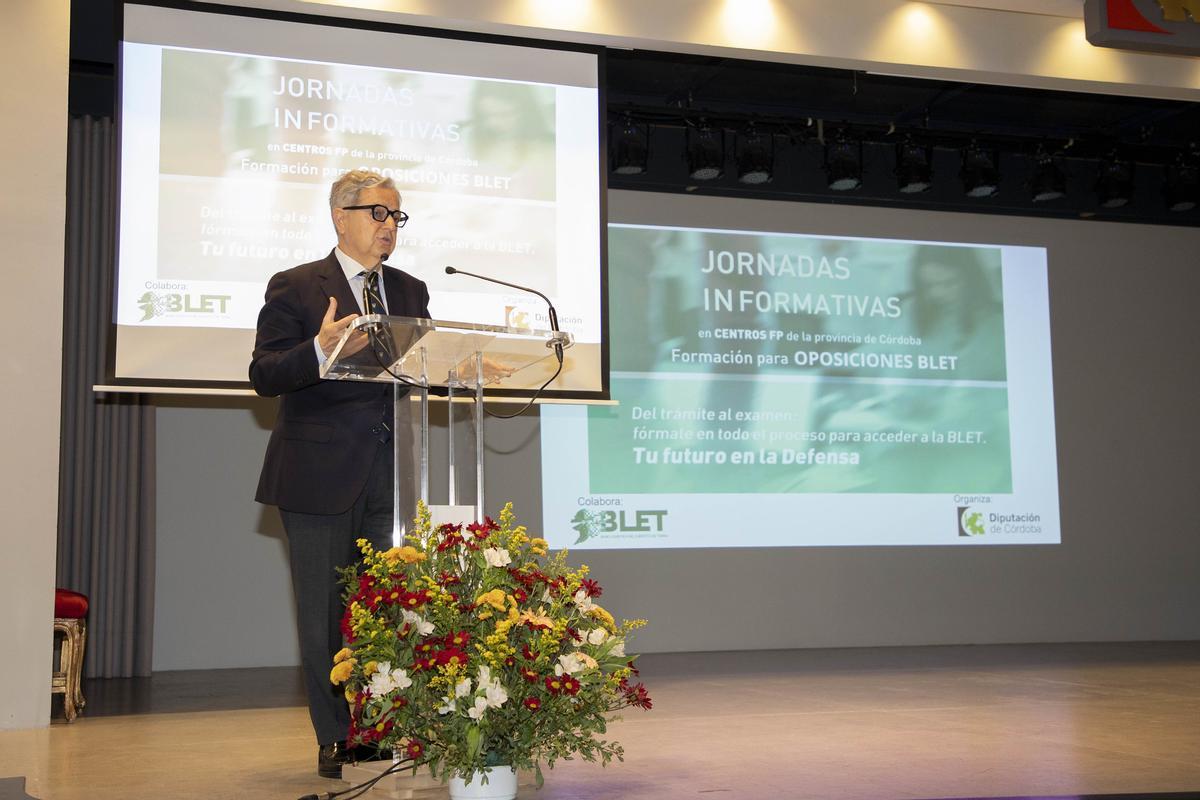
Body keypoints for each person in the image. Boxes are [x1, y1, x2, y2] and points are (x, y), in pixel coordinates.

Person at [249, 170, 430, 779]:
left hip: (390, 473)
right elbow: (265, 374)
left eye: (396, 217)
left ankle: (378, 728)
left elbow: (421, 368)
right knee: (325, 613)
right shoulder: (298, 286)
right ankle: (334, 736)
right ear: (340, 216)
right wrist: (321, 349)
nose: (388, 228)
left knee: (383, 607)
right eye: (378, 214)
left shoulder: (410, 290)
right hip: (317, 473)